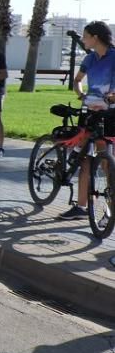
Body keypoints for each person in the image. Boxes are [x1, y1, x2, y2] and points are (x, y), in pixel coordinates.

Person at [60, 21, 115, 219]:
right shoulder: (90, 58)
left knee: (106, 162)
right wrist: (82, 95)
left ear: (96, 37)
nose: (83, 40)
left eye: (85, 36)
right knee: (84, 159)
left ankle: (110, 209)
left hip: (109, 113)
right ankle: (81, 207)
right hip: (89, 111)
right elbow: (77, 81)